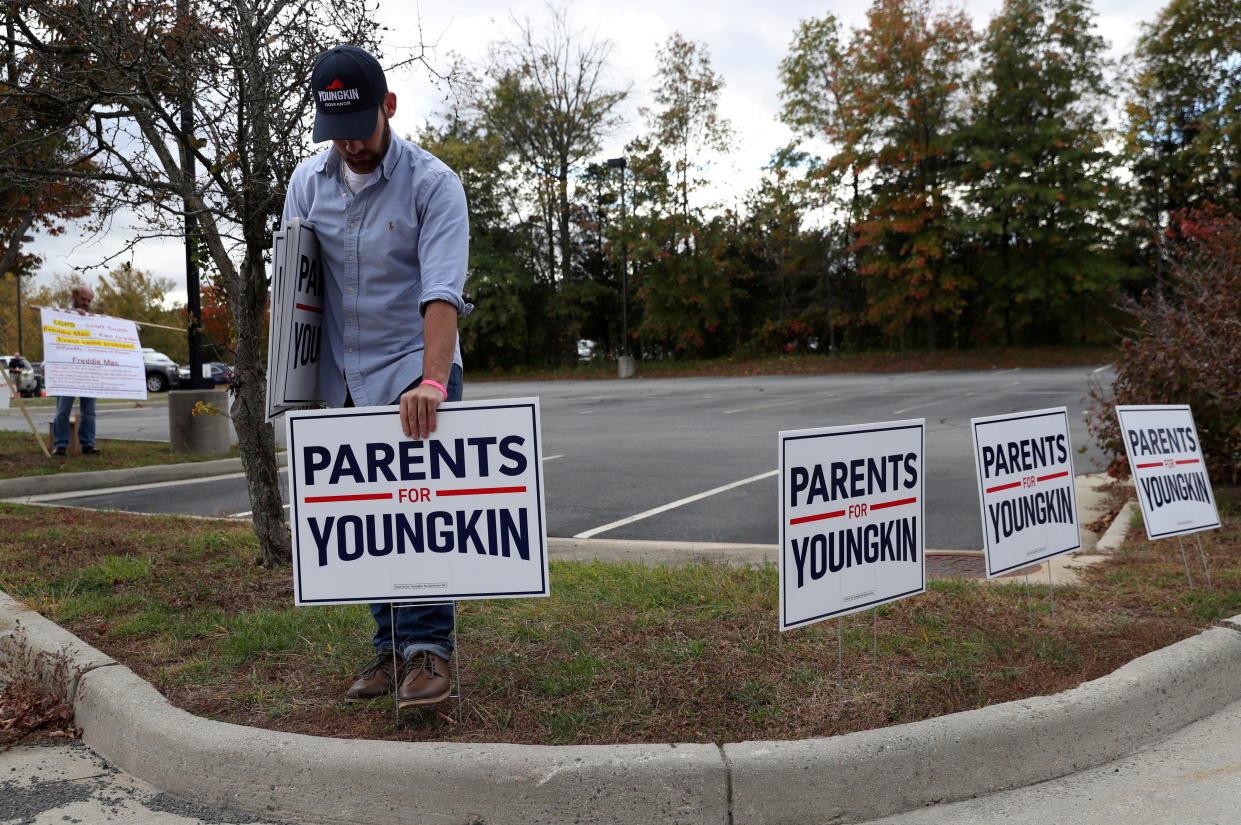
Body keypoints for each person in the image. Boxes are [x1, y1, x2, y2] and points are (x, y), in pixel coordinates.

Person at [282, 45, 471, 709]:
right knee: (368, 524)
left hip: (411, 372)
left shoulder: (432, 183)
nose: (350, 144)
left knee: (419, 522)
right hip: (341, 381)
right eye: (336, 131)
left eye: (361, 126)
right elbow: (297, 290)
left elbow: (442, 292)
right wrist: (291, 387)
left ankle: (430, 653)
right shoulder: (307, 182)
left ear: (388, 106)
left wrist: (432, 382)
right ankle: (389, 648)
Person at [51, 286, 101, 457]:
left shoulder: (94, 320)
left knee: (89, 411)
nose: (86, 303)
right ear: (75, 298)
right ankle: (61, 445)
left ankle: (88, 444)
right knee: (63, 410)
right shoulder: (61, 316)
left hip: (88, 372)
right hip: (68, 372)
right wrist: (71, 315)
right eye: (83, 299)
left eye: (89, 301)